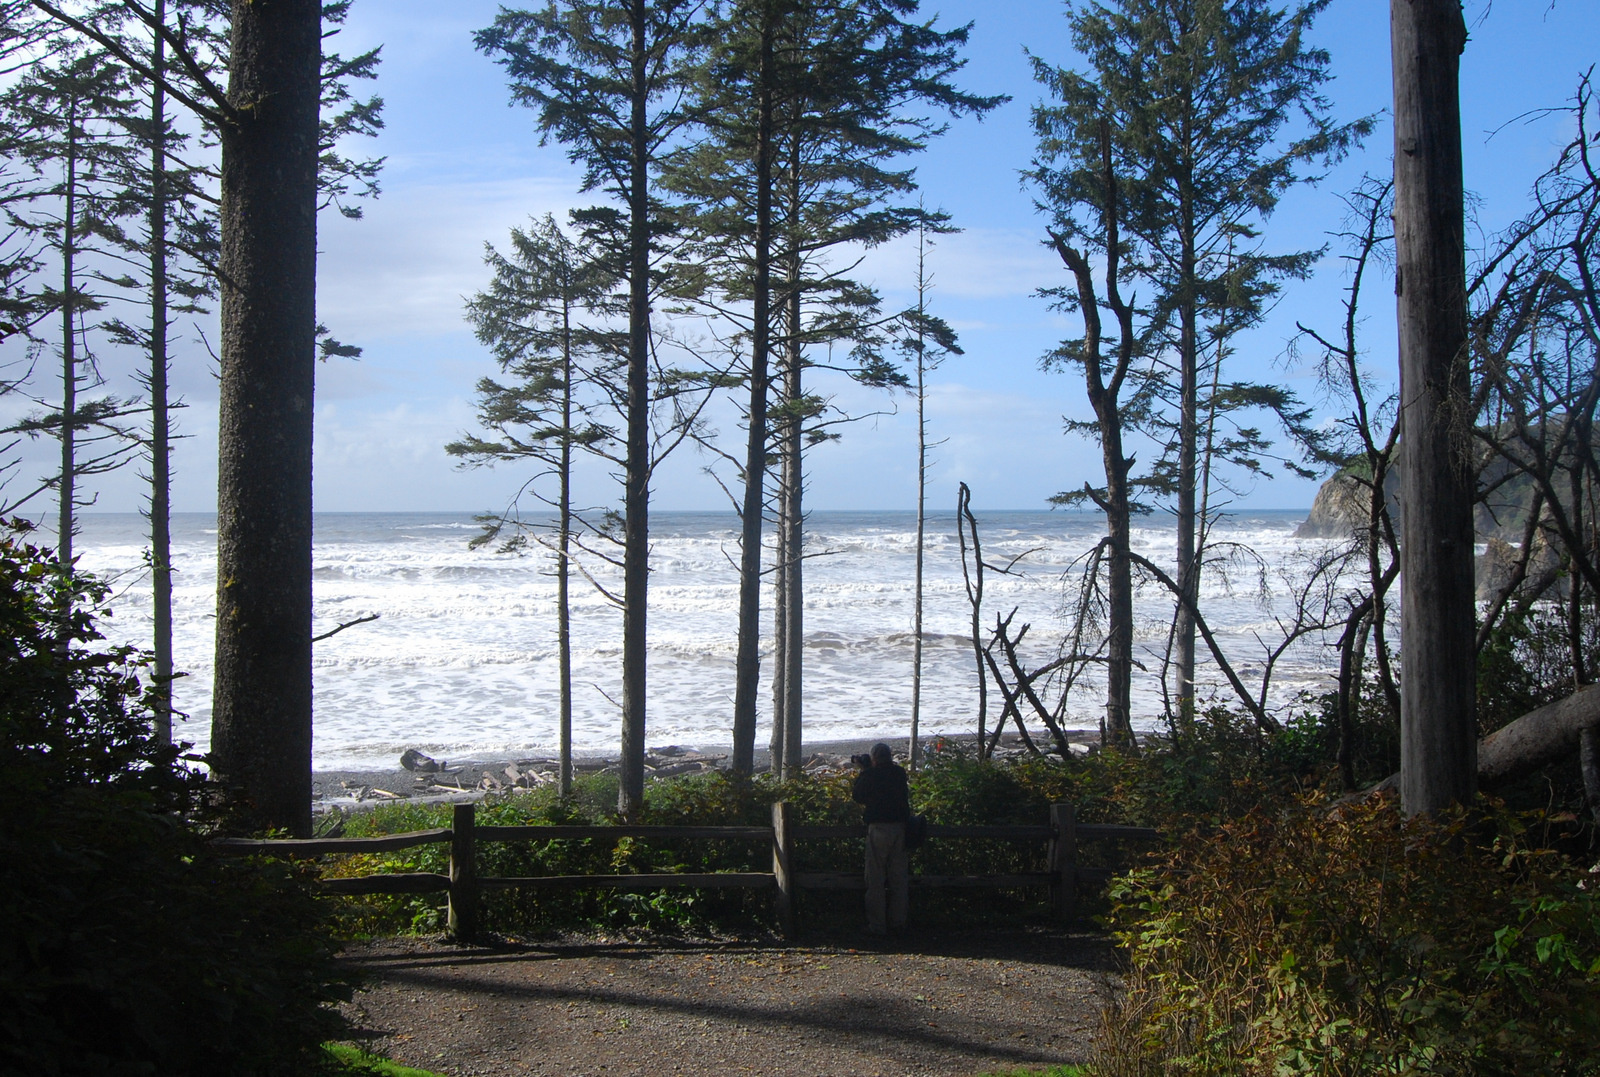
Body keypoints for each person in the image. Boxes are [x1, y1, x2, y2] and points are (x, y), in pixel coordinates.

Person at [852, 742, 910, 936]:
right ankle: (898, 921)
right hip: (900, 828)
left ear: (874, 758)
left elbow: (858, 796)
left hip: (878, 828)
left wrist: (864, 771)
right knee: (898, 878)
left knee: (875, 879)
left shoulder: (870, 774)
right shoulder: (899, 773)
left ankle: (877, 925)